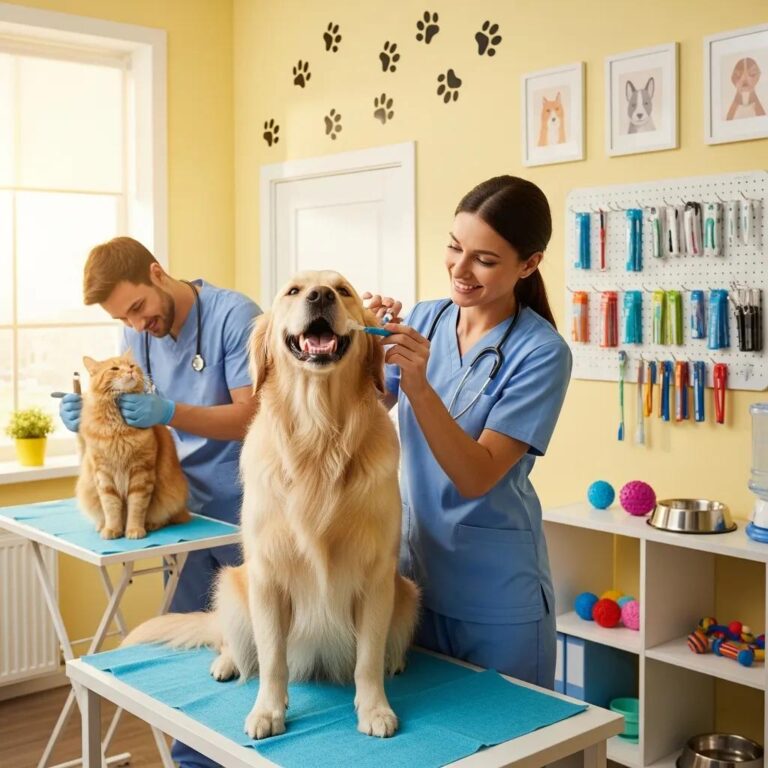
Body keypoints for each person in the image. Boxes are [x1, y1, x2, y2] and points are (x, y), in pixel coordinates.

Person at [58, 236, 260, 767]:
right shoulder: (135, 333)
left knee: (254, 650)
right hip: (184, 514)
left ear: (157, 273)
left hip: (247, 511)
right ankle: (193, 760)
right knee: (192, 653)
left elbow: (253, 416)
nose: (138, 323)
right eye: (125, 317)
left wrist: (169, 410)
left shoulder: (233, 317)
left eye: (140, 307)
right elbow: (127, 423)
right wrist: (88, 416)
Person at [366, 176, 572, 688]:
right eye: (455, 247)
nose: (459, 269)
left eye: (484, 258)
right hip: (414, 583)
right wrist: (362, 346)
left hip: (496, 598)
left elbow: (476, 475)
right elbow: (370, 407)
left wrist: (418, 384)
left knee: (515, 752)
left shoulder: (540, 353)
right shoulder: (424, 319)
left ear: (529, 264)